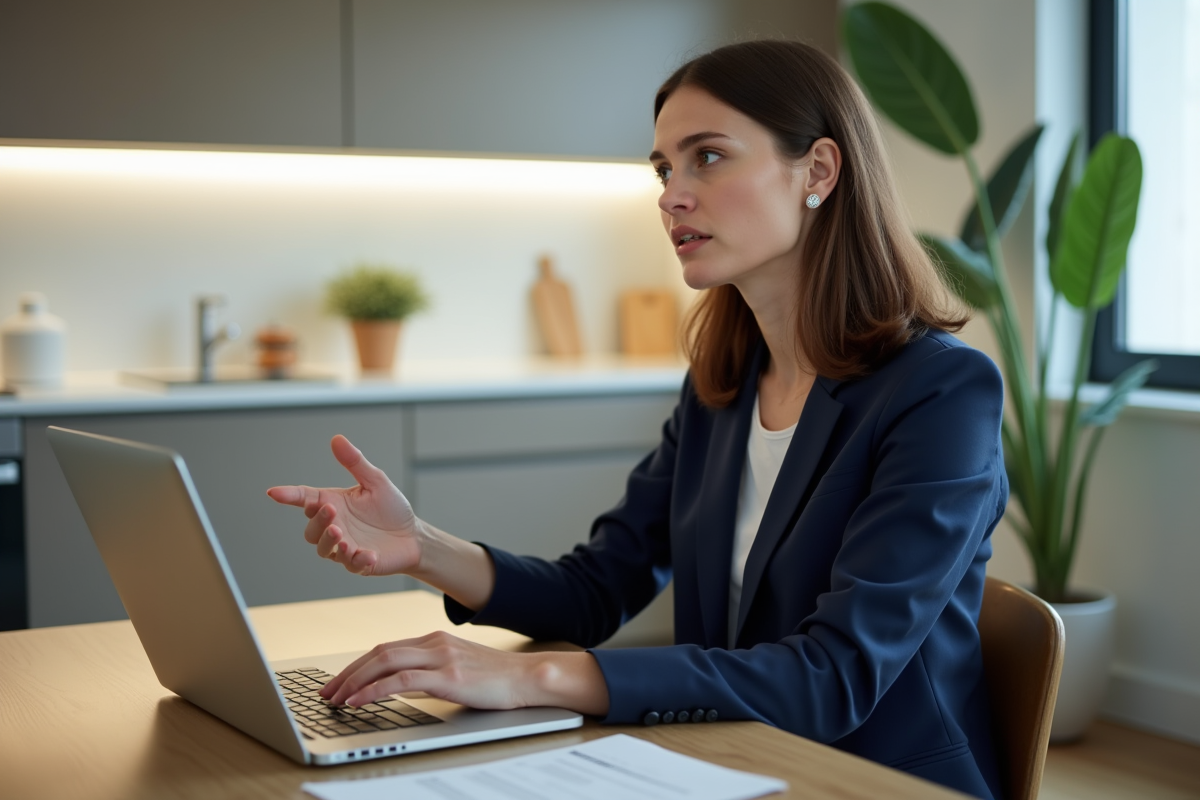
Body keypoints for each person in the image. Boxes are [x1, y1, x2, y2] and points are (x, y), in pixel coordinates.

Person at [268, 40, 1006, 800]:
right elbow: (597, 588)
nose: (671, 195)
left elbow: (835, 676)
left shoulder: (941, 391)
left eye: (708, 158)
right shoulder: (723, 386)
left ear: (817, 171)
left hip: (870, 780)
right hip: (729, 762)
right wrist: (419, 546)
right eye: (663, 169)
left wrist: (532, 675)